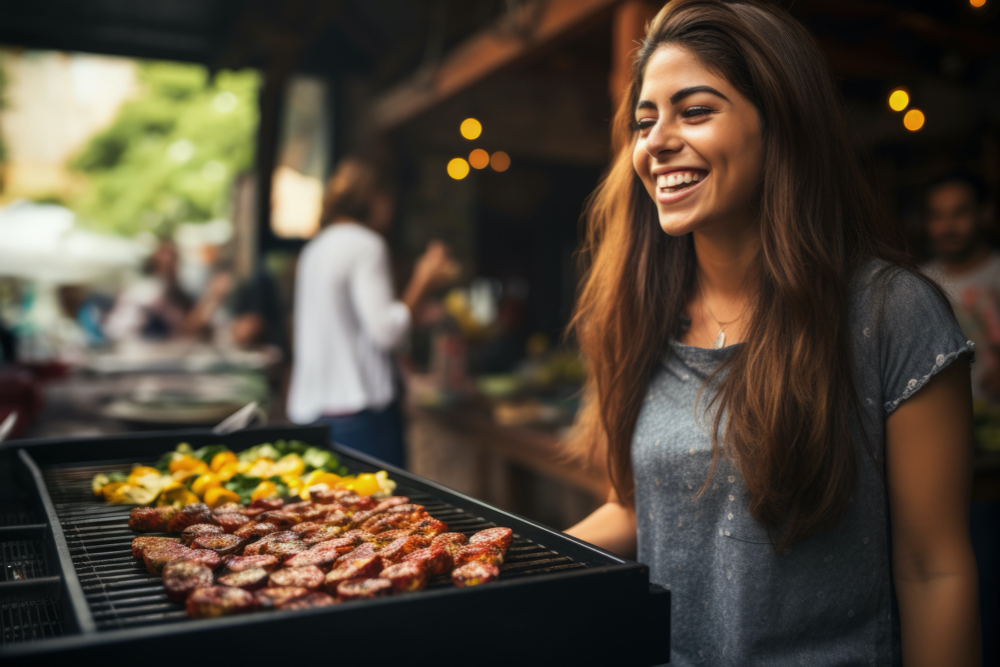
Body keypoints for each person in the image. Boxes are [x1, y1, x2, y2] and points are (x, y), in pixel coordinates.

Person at [562, 2, 980, 665]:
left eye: (694, 111)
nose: (657, 141)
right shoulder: (639, 314)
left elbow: (934, 567)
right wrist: (499, 555)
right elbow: (637, 509)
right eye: (646, 121)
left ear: (781, 124)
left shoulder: (889, 313)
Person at [286, 157, 456, 467]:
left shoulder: (315, 248)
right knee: (385, 513)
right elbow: (387, 333)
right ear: (375, 198)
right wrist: (423, 279)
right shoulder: (367, 245)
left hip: (313, 413)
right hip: (360, 417)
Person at [921, 173, 999, 401]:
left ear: (984, 213)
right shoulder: (919, 284)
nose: (947, 226)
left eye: (960, 213)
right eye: (937, 215)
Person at [104, 239, 193, 341]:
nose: (171, 264)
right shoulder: (151, 289)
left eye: (174, 259)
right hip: (132, 344)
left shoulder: (172, 290)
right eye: (167, 262)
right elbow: (184, 326)